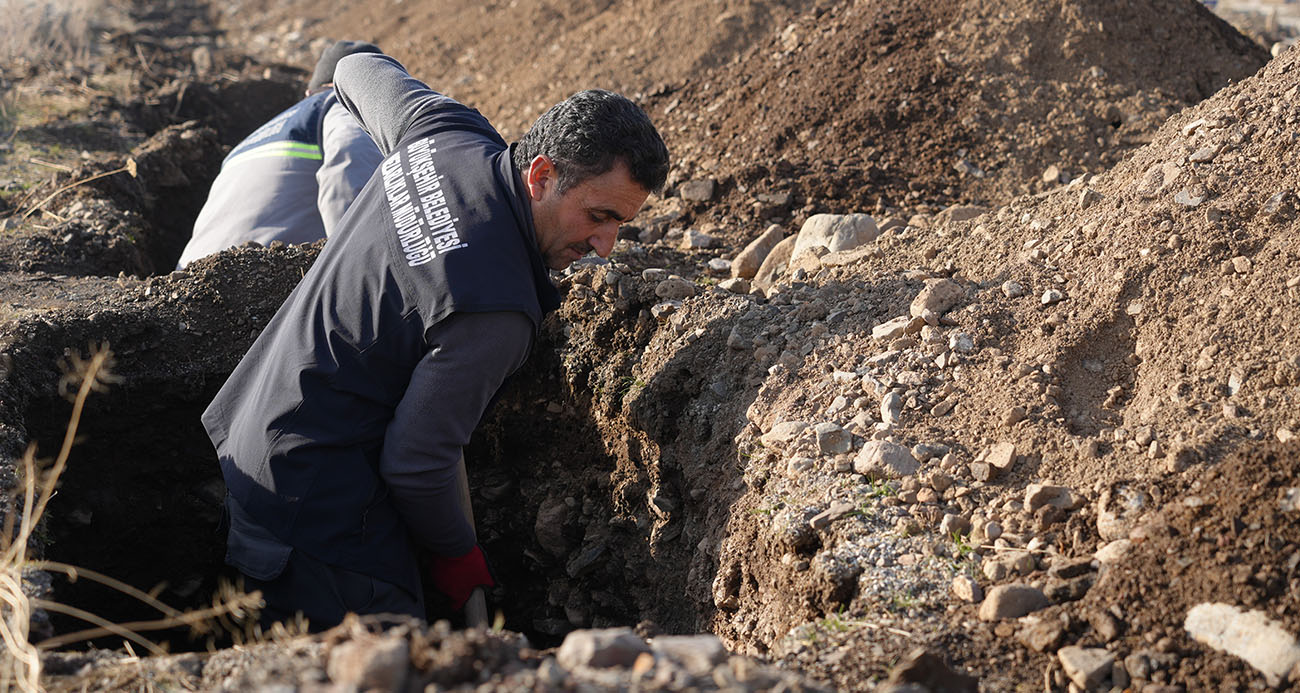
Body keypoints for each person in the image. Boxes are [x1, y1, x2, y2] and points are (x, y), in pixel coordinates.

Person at [202, 48, 669, 630]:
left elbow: (352, 67)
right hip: (317, 511)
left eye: (620, 224)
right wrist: (456, 553)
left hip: (255, 437)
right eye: (598, 215)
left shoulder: (442, 132)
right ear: (542, 175)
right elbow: (417, 461)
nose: (606, 244)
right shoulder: (495, 309)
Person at [175, 40, 385, 269]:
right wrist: (367, 269)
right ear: (369, 88)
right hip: (261, 279)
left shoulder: (245, 144)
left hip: (186, 279)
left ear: (308, 92)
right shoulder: (342, 104)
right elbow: (349, 171)